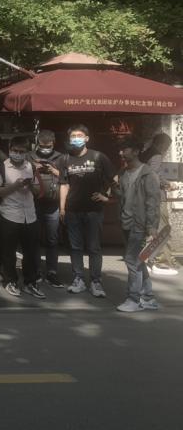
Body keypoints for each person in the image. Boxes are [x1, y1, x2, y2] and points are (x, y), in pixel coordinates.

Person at [60, 124, 115, 298]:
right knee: (75, 247)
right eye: (73, 136)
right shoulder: (65, 159)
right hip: (73, 210)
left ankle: (96, 281)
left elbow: (114, 179)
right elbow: (64, 185)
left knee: (94, 247)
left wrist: (106, 196)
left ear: (87, 138)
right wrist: (62, 208)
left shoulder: (98, 157)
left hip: (93, 211)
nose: (76, 138)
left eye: (79, 135)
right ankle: (78, 279)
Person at [0, 136, 45, 299]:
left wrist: (30, 185)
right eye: (15, 151)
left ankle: (30, 283)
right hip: (9, 214)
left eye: (22, 152)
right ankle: (10, 281)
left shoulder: (31, 167)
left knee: (31, 252)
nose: (18, 154)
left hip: (30, 215)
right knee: (9, 252)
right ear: (10, 150)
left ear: (27, 152)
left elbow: (38, 191)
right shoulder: (1, 168)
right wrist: (15, 186)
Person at [115, 141, 161, 312]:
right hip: (126, 222)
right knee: (138, 261)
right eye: (120, 149)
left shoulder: (148, 174)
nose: (121, 153)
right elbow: (123, 196)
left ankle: (133, 299)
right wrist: (113, 188)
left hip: (140, 224)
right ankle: (148, 298)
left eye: (124, 149)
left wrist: (152, 227)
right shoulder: (123, 172)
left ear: (135, 151)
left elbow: (153, 202)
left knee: (132, 260)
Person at [31, 129, 66, 288]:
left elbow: (68, 178)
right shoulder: (29, 156)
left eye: (48, 146)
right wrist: (34, 168)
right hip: (34, 204)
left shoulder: (61, 157)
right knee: (35, 239)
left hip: (53, 204)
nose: (45, 149)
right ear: (37, 143)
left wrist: (54, 170)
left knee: (52, 239)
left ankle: (52, 272)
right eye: (42, 146)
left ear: (54, 143)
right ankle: (36, 270)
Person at [140, 133, 178, 276]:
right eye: (167, 146)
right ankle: (161, 262)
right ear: (162, 144)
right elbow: (155, 174)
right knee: (163, 229)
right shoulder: (155, 155)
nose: (167, 149)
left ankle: (148, 260)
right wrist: (168, 184)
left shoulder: (144, 154)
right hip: (156, 198)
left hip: (145, 197)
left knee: (150, 229)